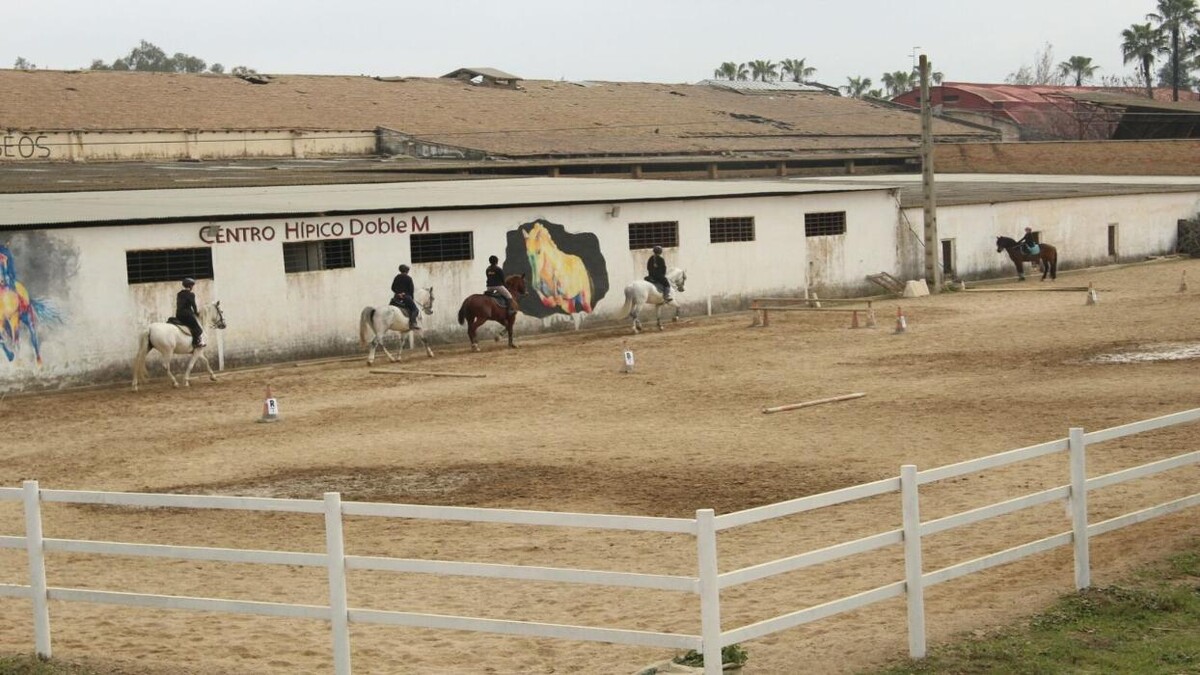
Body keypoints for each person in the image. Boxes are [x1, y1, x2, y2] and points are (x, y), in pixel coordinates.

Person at [175, 277, 204, 349]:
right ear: (190, 286)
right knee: (198, 329)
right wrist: (196, 313)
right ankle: (196, 343)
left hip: (178, 314)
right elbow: (194, 305)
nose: (192, 287)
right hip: (187, 315)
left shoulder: (179, 294)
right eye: (192, 285)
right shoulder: (191, 294)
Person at [390, 264, 419, 329]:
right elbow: (411, 290)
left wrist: (398, 294)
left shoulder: (396, 277)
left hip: (396, 297)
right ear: (406, 271)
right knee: (415, 310)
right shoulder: (409, 278)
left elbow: (392, 288)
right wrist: (411, 298)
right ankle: (413, 323)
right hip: (406, 297)